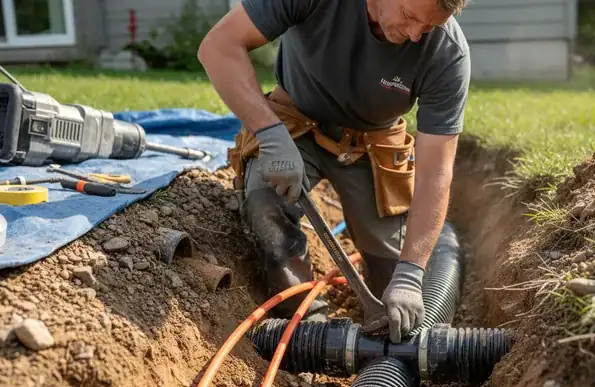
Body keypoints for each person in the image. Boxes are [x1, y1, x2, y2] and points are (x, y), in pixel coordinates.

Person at [198, 0, 471, 343]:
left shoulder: (447, 54)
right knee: (266, 203)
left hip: (373, 147)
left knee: (393, 282)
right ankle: (307, 327)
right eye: (409, 16)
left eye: (429, 27)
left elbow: (436, 174)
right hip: (292, 127)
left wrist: (411, 274)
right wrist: (270, 134)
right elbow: (219, 46)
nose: (416, 35)